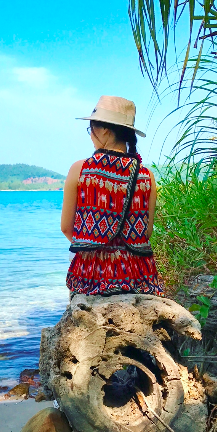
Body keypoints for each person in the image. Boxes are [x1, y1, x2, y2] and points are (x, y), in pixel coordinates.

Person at [61, 95, 164, 296]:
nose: (90, 135)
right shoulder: (146, 176)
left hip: (93, 275)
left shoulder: (81, 169)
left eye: (91, 129)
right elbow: (146, 232)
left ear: (105, 129)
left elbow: (66, 228)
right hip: (139, 275)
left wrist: (93, 249)